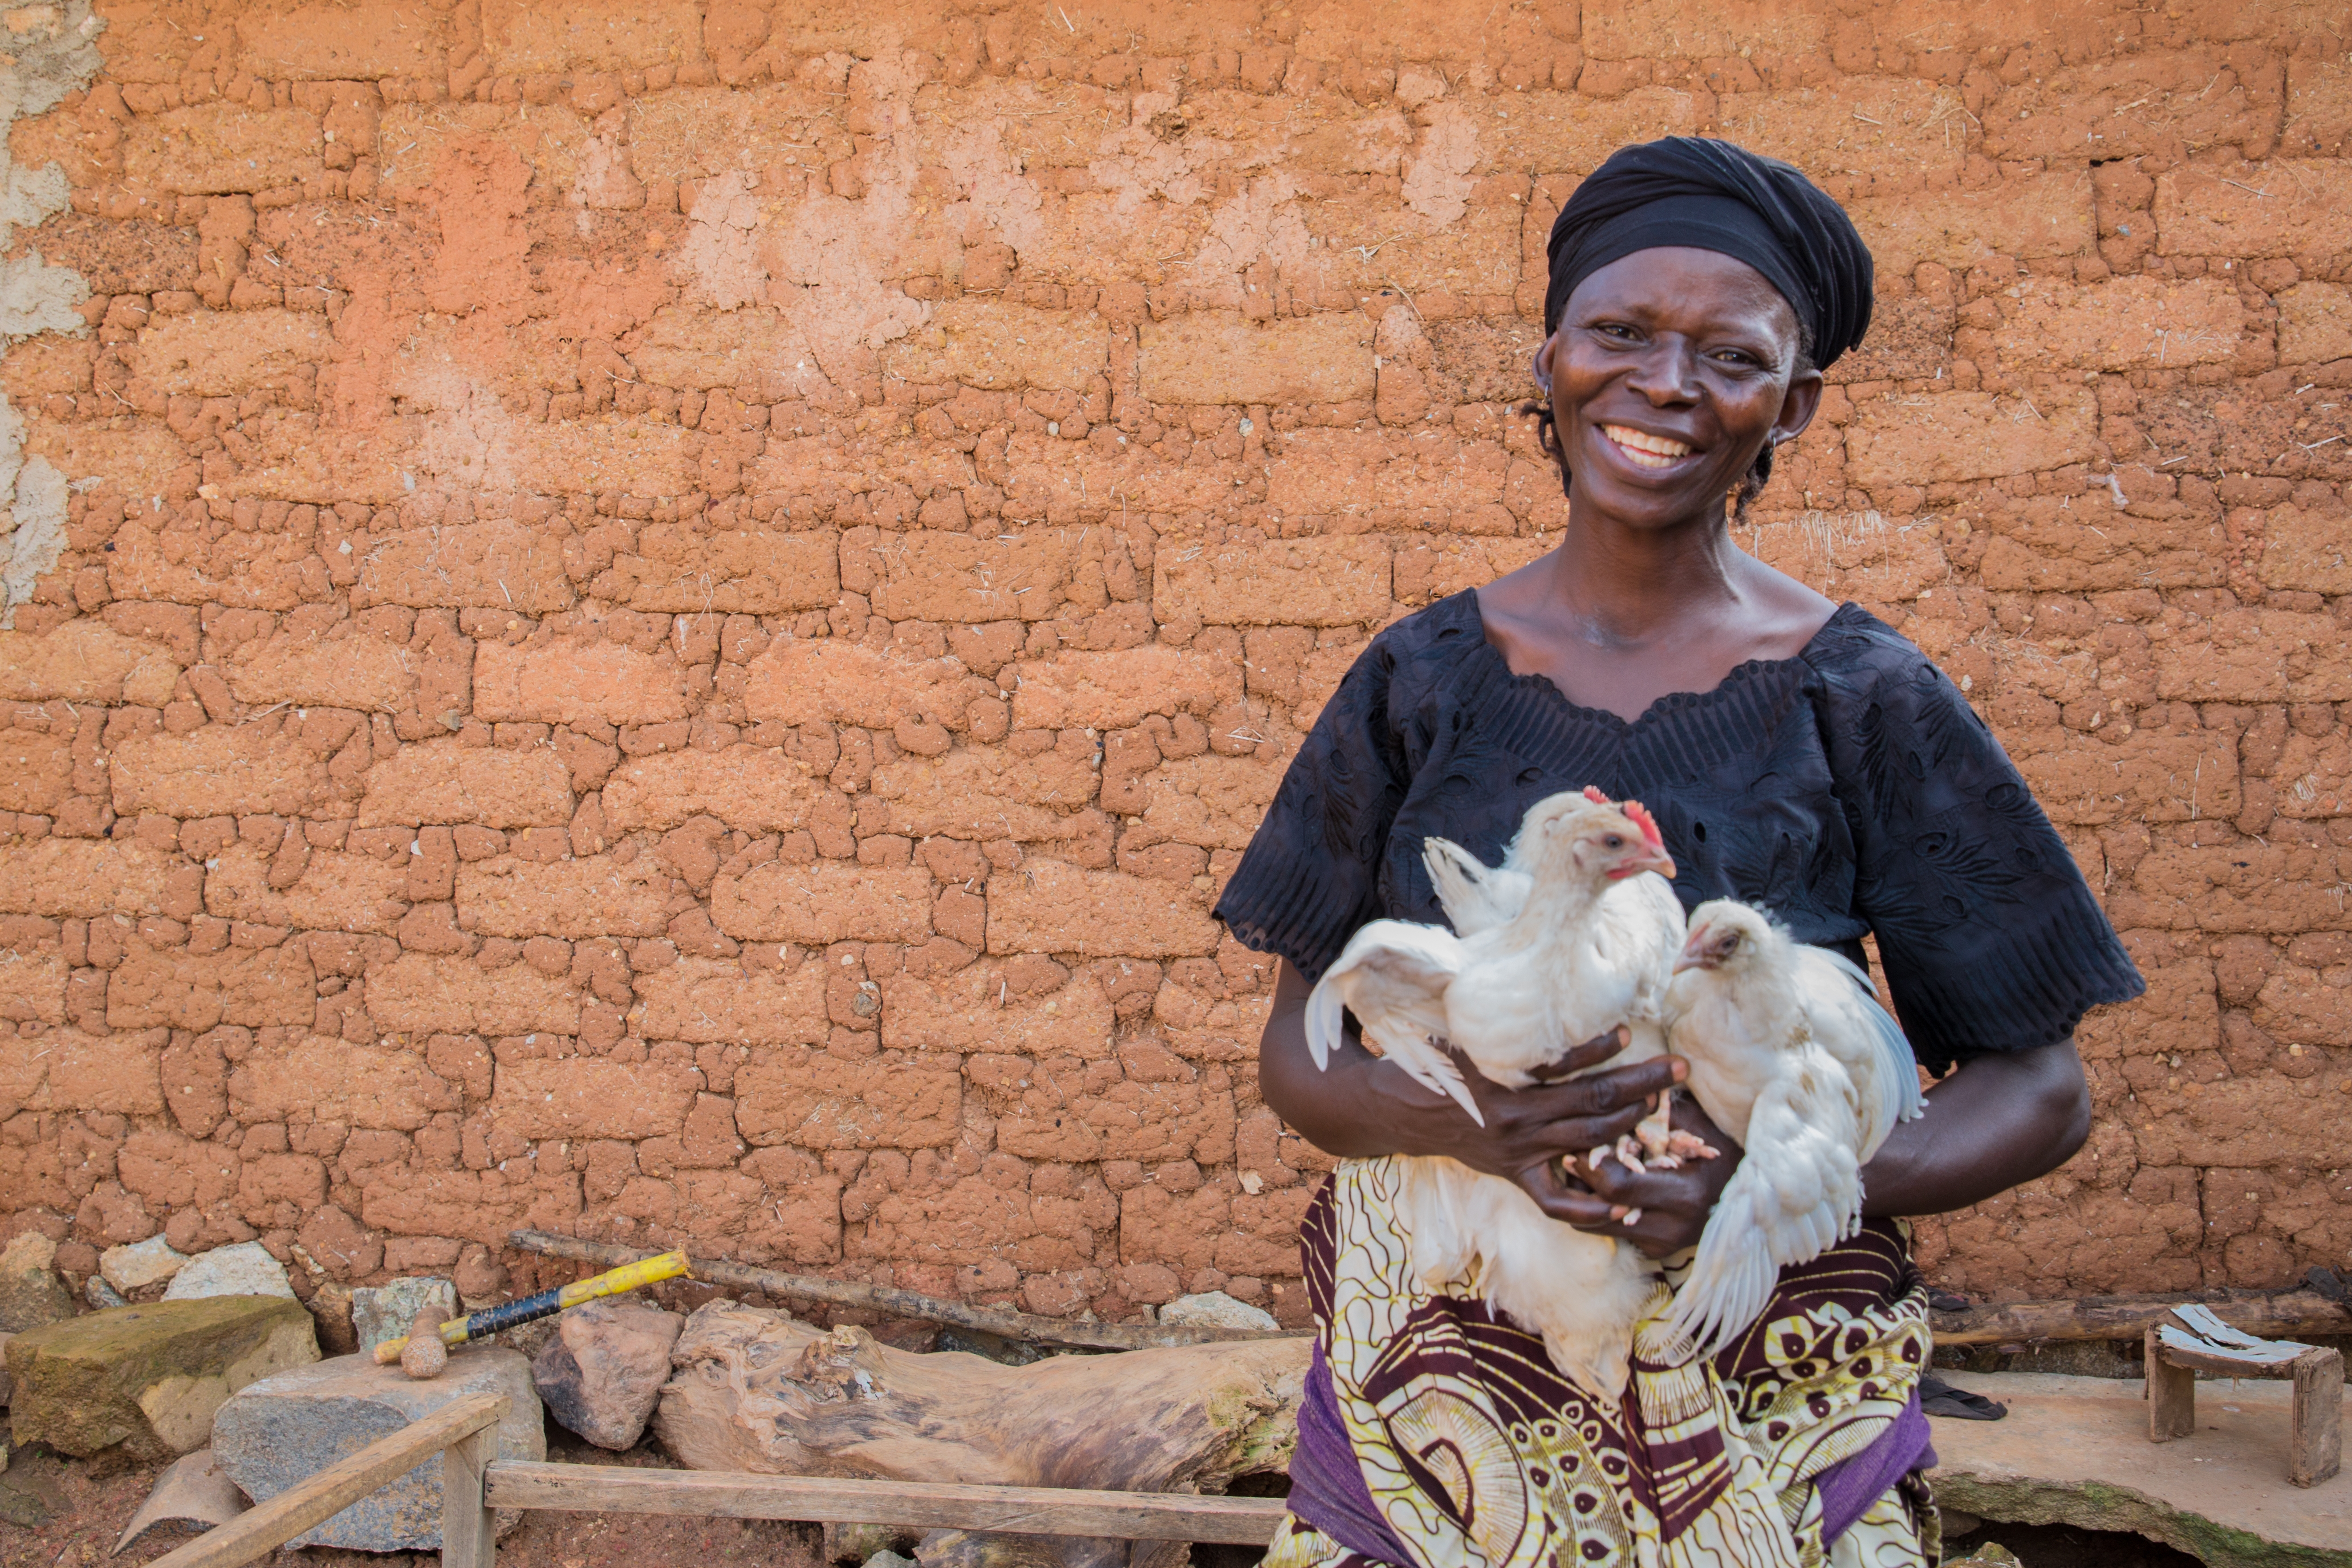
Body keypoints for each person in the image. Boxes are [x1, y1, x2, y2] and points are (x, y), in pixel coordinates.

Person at [1214, 138, 2145, 1568]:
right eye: (1621, 332)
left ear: (1795, 403)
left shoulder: (1865, 697)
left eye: (1729, 356)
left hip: (1778, 1401)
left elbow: (2039, 1089)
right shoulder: (1416, 681)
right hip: (1435, 1418)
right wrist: (1478, 1128)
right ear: (1548, 361)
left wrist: (1771, 1186)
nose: (1664, 383)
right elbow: (1300, 1061)